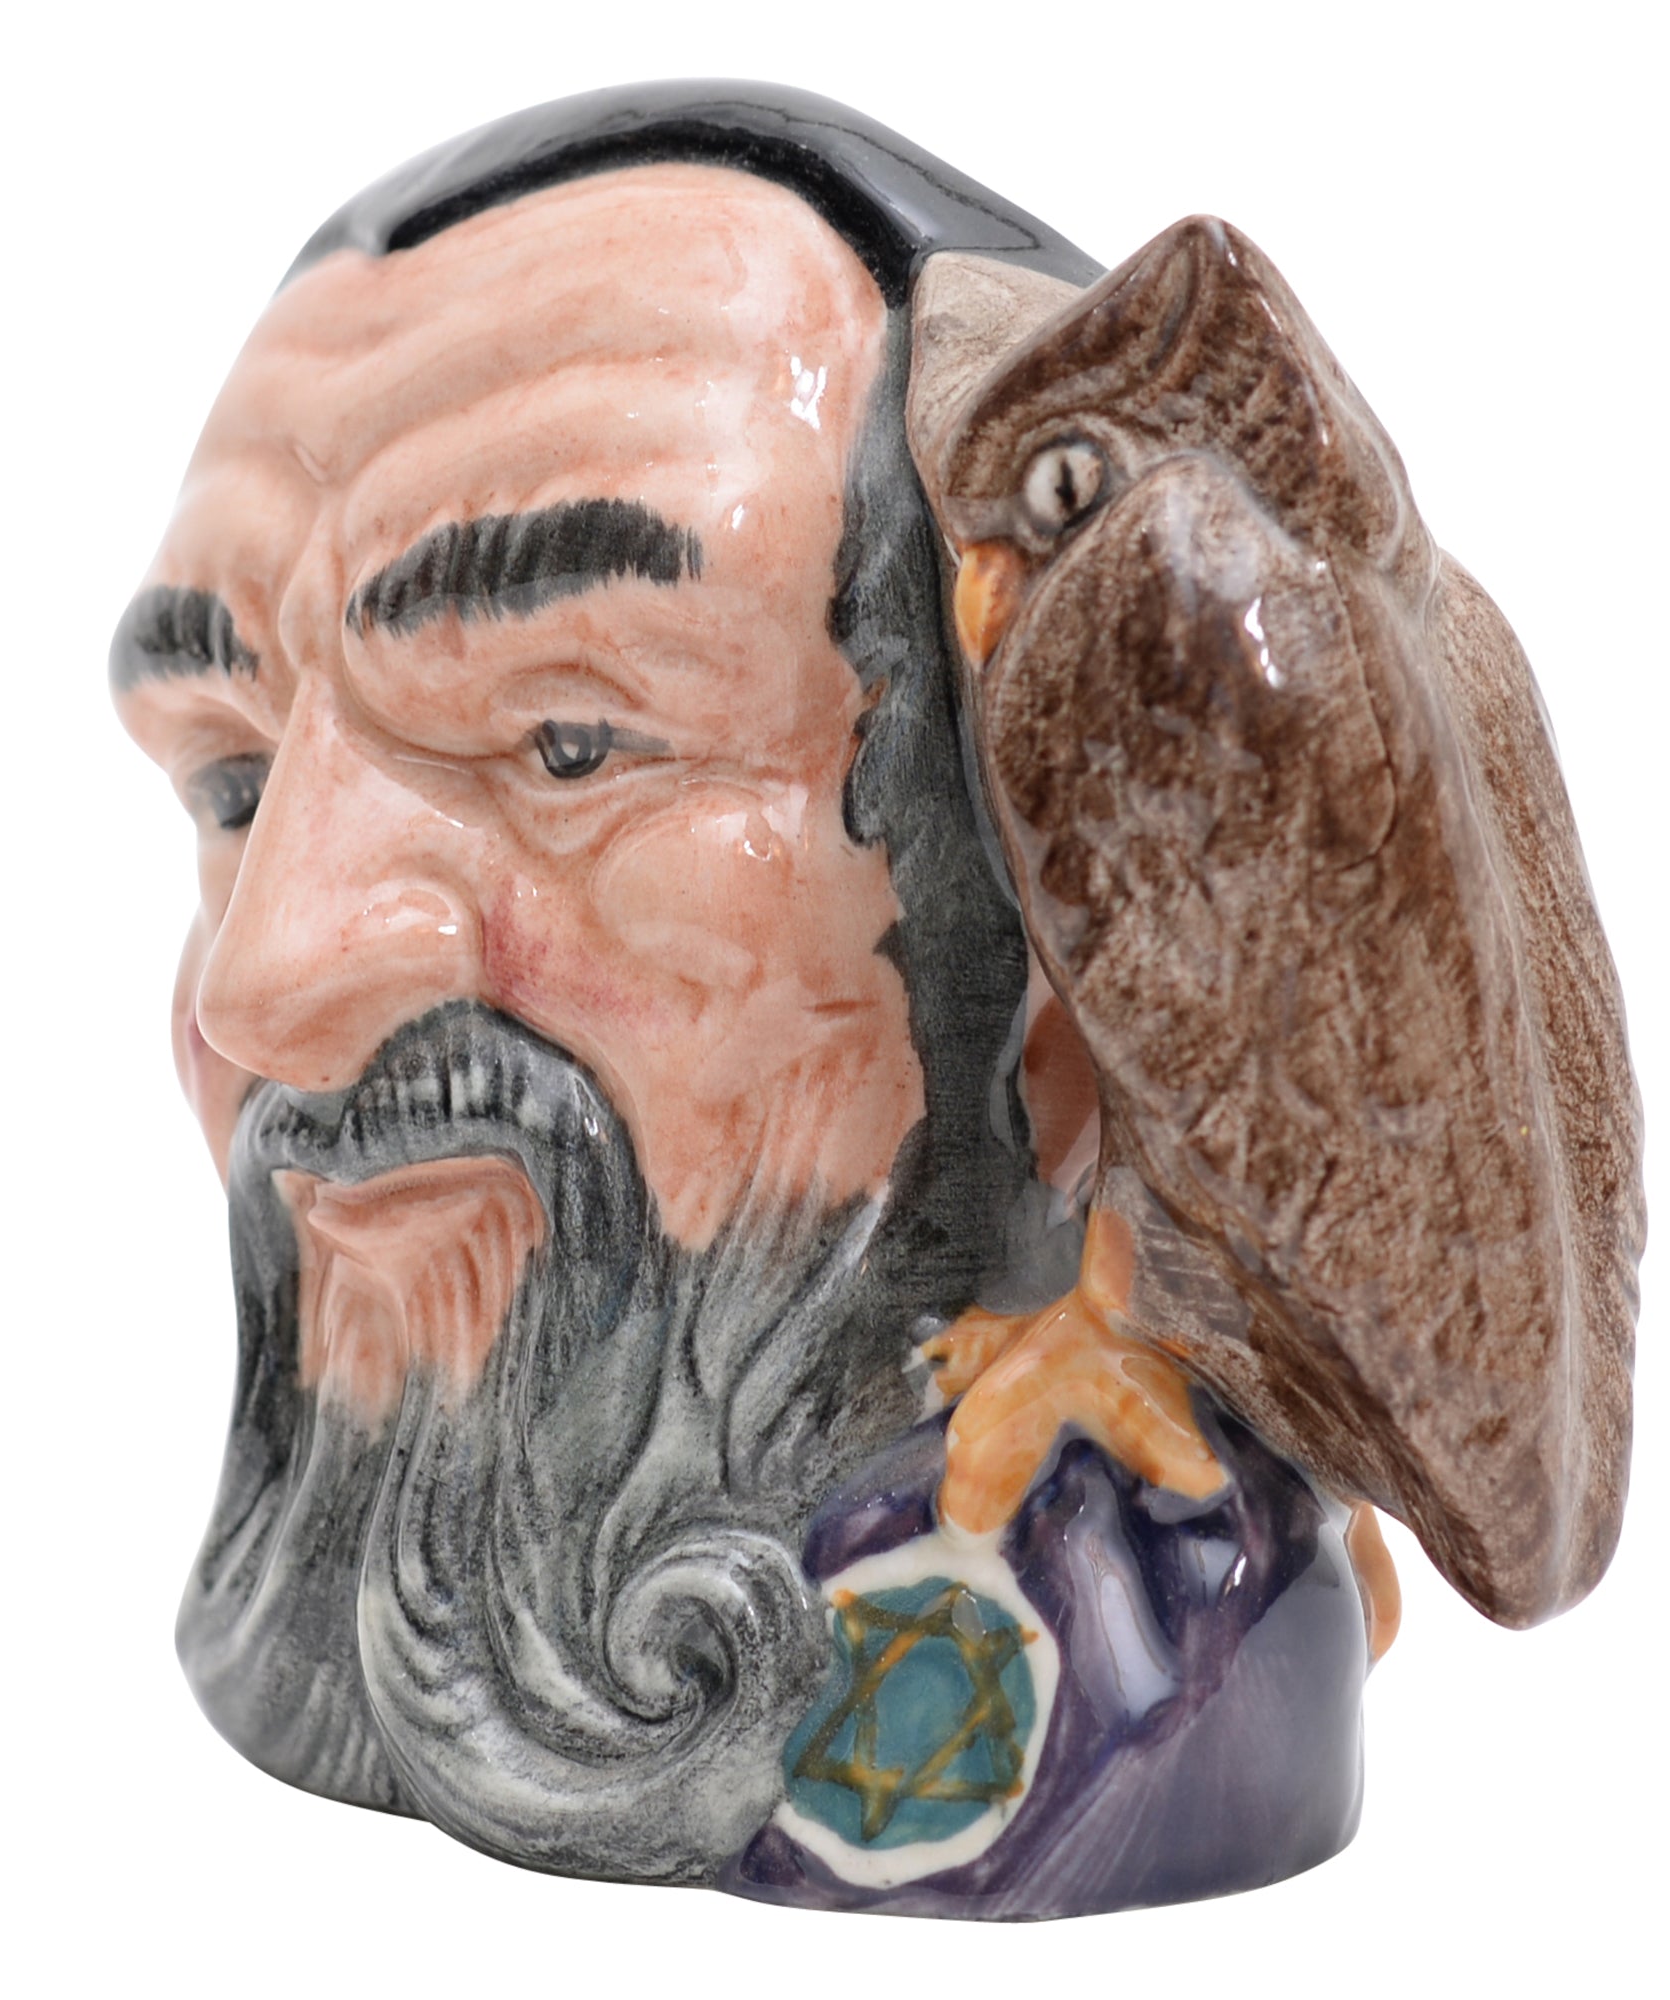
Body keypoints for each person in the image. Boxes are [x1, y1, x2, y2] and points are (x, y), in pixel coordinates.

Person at [110, 85, 1367, 1913]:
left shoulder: (1136, 1658)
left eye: (568, 743)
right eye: (233, 785)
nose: (267, 991)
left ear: (1072, 934)